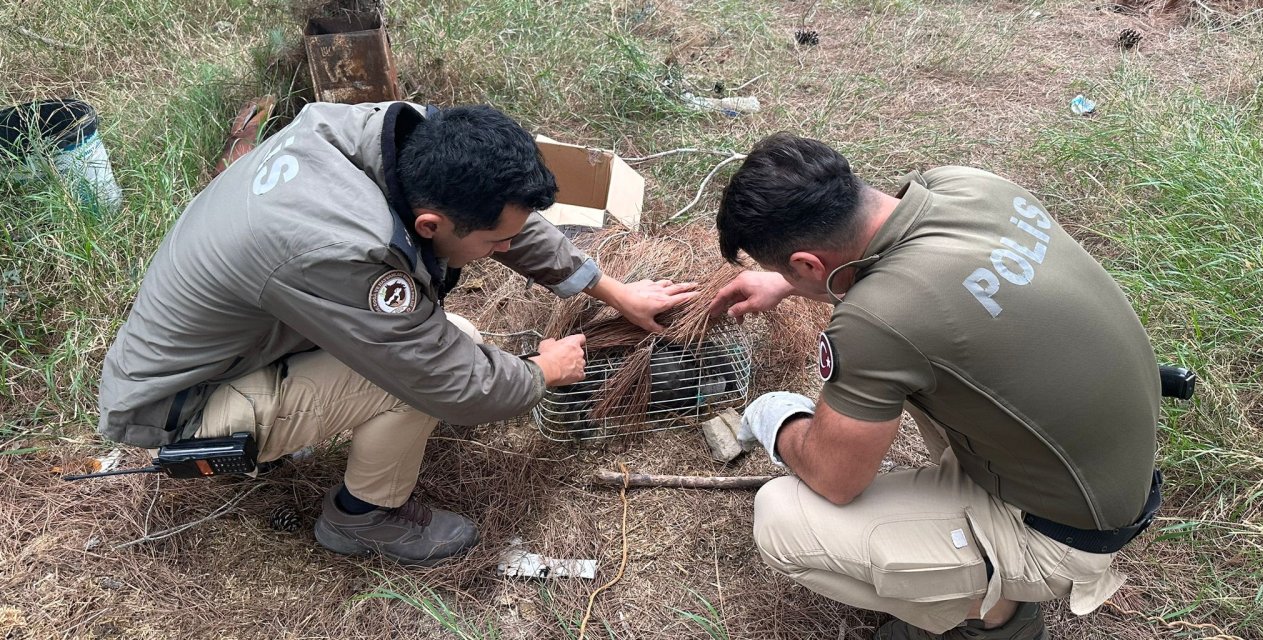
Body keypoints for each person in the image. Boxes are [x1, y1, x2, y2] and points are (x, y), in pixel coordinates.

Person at [97, 102, 696, 565]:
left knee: (449, 333)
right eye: (494, 246)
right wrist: (544, 372)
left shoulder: (384, 134)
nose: (504, 252)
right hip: (179, 407)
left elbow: (506, 219)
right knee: (418, 374)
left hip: (223, 354)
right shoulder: (343, 248)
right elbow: (449, 384)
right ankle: (360, 520)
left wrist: (610, 290)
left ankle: (296, 429)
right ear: (430, 222)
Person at [711, 133, 1161, 639]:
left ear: (809, 263)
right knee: (921, 365)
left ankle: (993, 618)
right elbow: (926, 289)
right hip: (1112, 462)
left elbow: (836, 479)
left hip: (1067, 533)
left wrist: (779, 418)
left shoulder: (876, 323)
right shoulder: (966, 185)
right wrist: (792, 280)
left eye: (784, 269)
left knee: (779, 520)